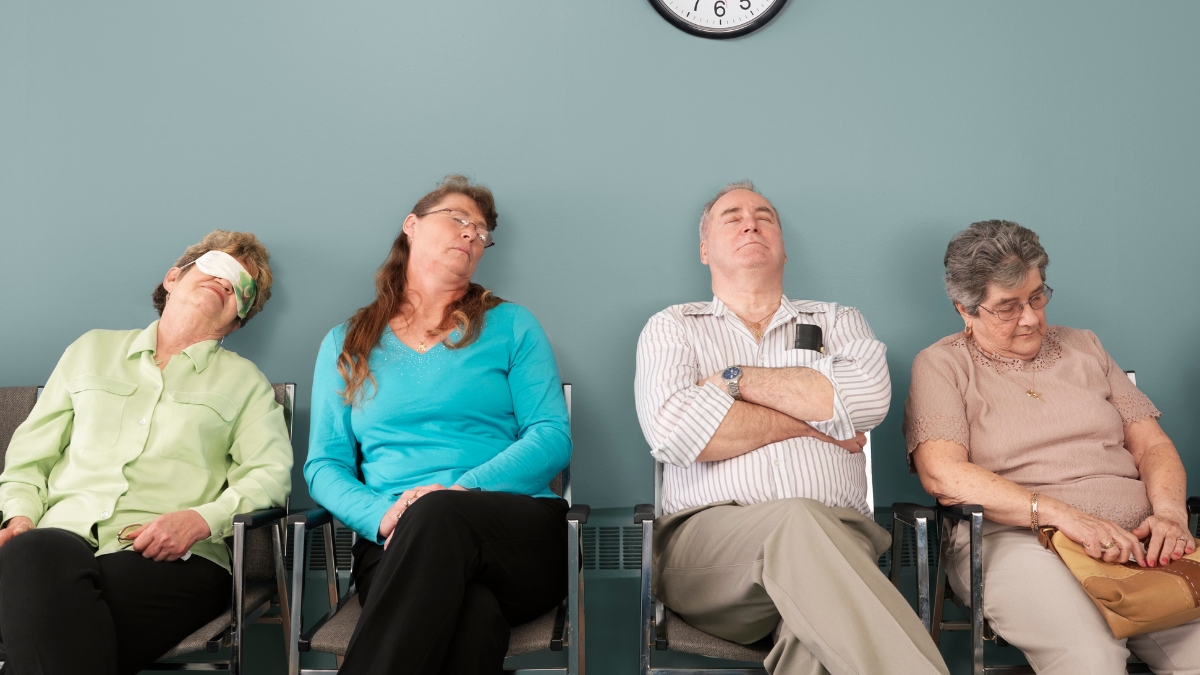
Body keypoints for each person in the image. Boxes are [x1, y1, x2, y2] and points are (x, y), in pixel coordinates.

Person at [634, 181, 949, 675]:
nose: (750, 222)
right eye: (731, 216)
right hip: (707, 549)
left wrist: (731, 381)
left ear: (782, 244)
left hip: (843, 537)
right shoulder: (674, 327)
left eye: (764, 215)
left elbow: (865, 401)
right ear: (704, 249)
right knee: (796, 520)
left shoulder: (839, 320)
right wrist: (814, 424)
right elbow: (675, 434)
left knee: (815, 637)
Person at [905, 219, 1200, 673]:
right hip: (1019, 543)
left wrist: (1170, 517)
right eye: (1007, 307)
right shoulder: (942, 364)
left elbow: (1152, 447)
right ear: (965, 309)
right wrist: (1067, 517)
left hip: (1137, 539)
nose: (1030, 317)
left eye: (1036, 296)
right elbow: (943, 474)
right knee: (1091, 658)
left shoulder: (1086, 347)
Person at [305, 175, 571, 675]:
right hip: (394, 542)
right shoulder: (347, 341)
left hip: (512, 531)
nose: (472, 233)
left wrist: (459, 493)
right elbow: (324, 464)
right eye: (458, 219)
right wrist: (382, 516)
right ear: (411, 226)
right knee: (472, 617)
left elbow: (551, 436)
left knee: (441, 515)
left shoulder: (513, 325)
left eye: (482, 231)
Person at [0, 231, 293, 675]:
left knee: (41, 607)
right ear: (173, 278)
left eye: (239, 288)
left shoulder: (247, 384)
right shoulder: (89, 351)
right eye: (213, 268)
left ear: (237, 321)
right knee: (35, 559)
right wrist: (19, 517)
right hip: (57, 543)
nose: (223, 282)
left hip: (173, 561)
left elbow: (269, 475)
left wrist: (199, 520)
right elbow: (29, 456)